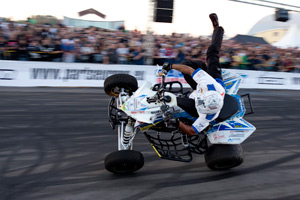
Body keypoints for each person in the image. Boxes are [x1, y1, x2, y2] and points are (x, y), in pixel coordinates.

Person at [162, 13, 225, 136]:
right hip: (215, 79)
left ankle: (201, 69)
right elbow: (189, 70)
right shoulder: (208, 84)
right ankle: (218, 29)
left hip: (203, 91)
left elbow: (192, 131)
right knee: (211, 54)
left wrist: (177, 123)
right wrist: (171, 66)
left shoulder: (210, 115)